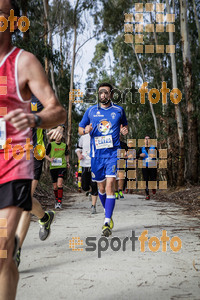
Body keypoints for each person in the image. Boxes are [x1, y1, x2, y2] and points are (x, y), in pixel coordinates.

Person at [0, 1, 66, 299]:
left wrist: (35, 118)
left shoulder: (23, 62)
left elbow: (57, 110)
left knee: (1, 251)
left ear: (11, 22)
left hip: (14, 162)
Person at [15, 95, 65, 267]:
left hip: (33, 153)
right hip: (7, 155)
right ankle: (44, 218)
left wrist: (60, 126)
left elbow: (57, 112)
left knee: (23, 199)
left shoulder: (37, 95)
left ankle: (16, 251)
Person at [78, 82, 128, 237]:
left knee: (110, 184)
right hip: (96, 156)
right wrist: (85, 130)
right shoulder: (91, 111)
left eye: (106, 92)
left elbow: (125, 127)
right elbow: (80, 129)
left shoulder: (118, 110)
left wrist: (125, 130)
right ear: (98, 94)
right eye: (101, 92)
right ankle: (109, 212)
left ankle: (106, 221)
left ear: (111, 94)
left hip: (112, 154)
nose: (103, 95)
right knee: (100, 188)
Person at [75, 133, 98, 214]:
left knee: (94, 184)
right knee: (84, 187)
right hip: (85, 164)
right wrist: (79, 155)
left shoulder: (98, 136)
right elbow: (78, 148)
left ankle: (93, 206)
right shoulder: (83, 137)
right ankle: (90, 191)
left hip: (95, 164)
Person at [45, 137, 70, 209]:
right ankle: (56, 199)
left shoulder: (64, 145)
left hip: (62, 166)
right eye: (56, 136)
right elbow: (45, 154)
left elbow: (67, 154)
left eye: (59, 135)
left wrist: (67, 162)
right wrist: (49, 159)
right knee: (55, 187)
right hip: (53, 167)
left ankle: (59, 202)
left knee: (60, 184)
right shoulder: (51, 144)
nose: (58, 137)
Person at [137, 136, 158, 200]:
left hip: (153, 166)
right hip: (144, 166)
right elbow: (136, 156)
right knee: (145, 180)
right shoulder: (141, 148)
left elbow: (159, 155)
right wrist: (140, 155)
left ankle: (153, 188)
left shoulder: (154, 147)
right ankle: (147, 195)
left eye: (148, 139)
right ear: (144, 140)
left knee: (153, 179)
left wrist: (158, 160)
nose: (147, 140)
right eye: (145, 139)